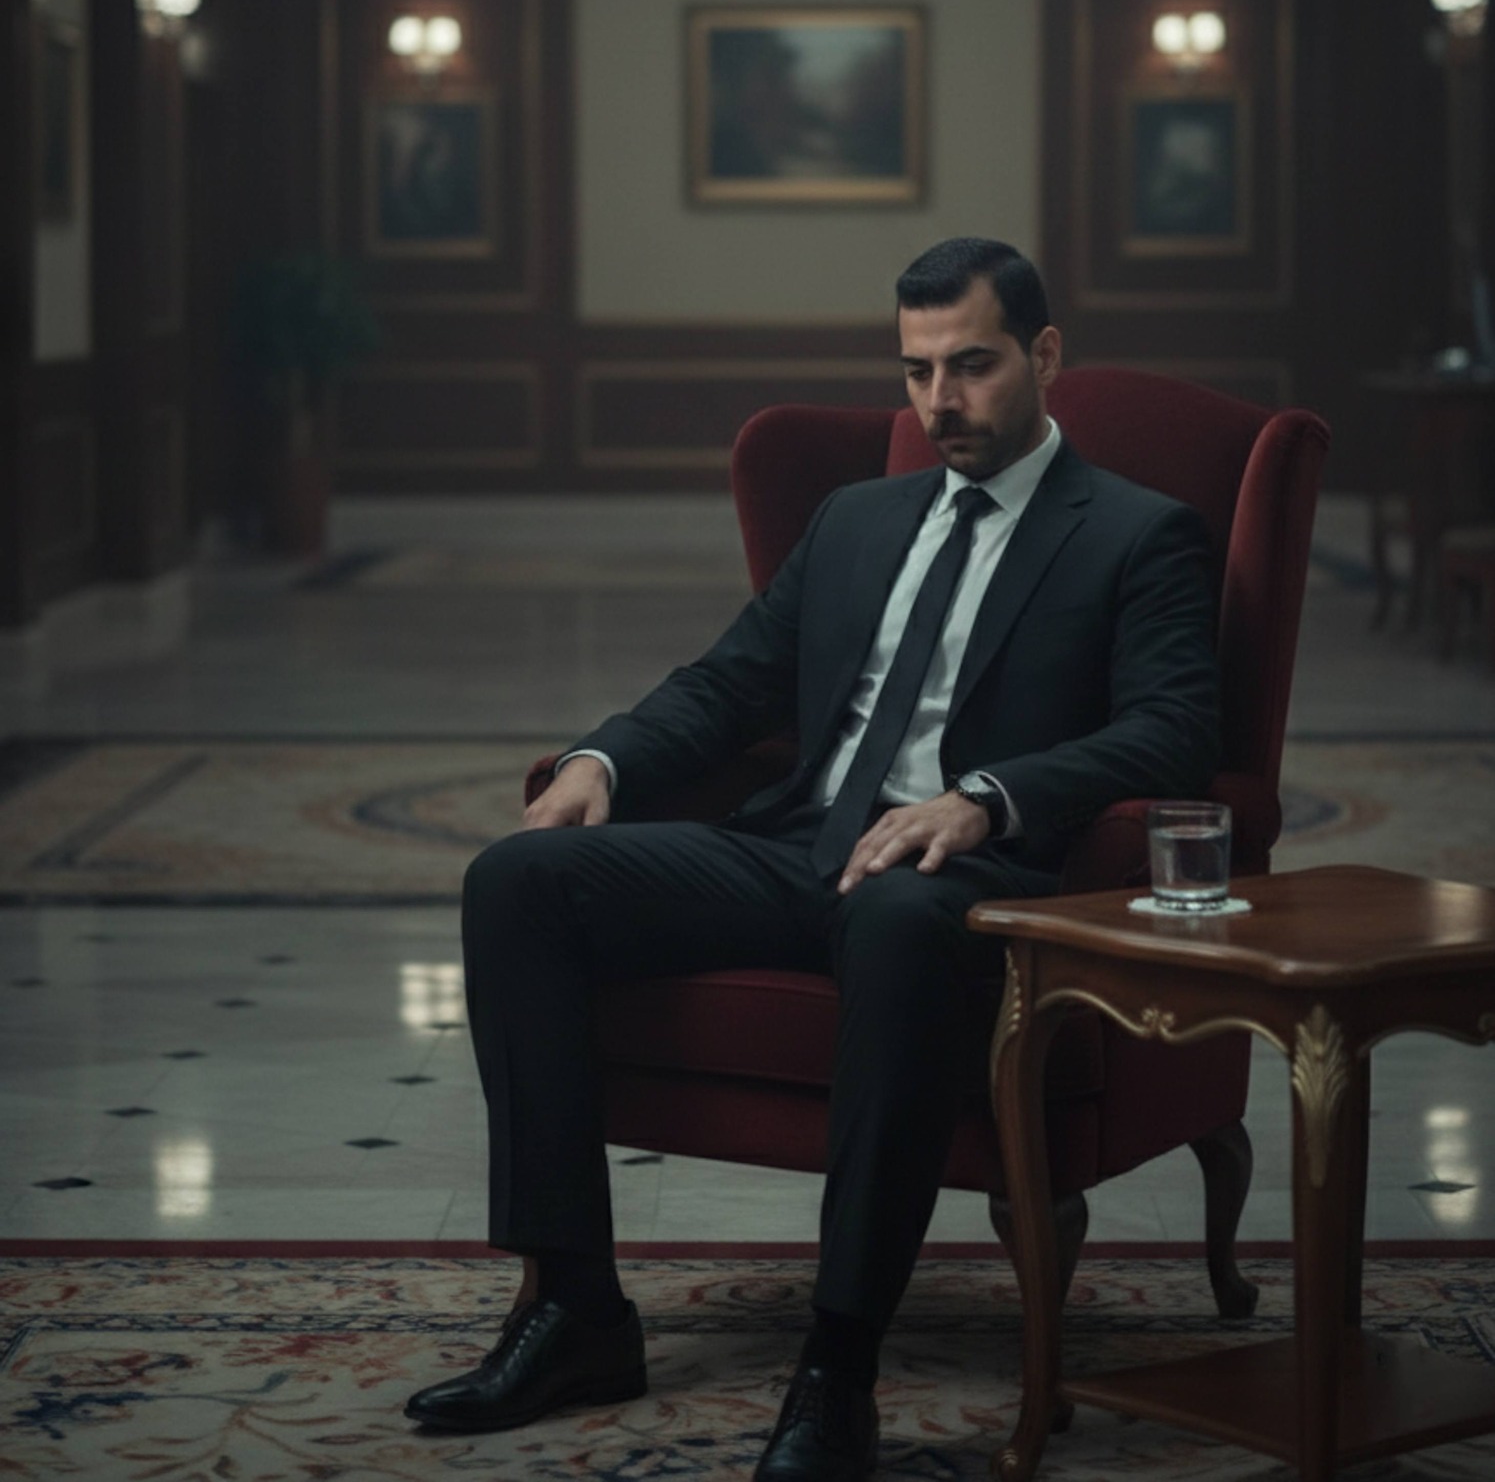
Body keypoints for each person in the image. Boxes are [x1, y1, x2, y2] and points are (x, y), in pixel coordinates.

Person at [405, 237, 1220, 1481]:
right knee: (516, 879)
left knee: (896, 923)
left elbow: (1172, 726)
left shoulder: (1136, 532)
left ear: (1045, 354)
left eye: (972, 365)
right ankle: (576, 1310)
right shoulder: (855, 518)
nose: (939, 401)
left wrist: (985, 800)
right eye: (915, 371)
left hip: (961, 884)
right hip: (791, 849)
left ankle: (838, 1367)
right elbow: (732, 683)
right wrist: (598, 762)